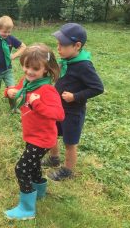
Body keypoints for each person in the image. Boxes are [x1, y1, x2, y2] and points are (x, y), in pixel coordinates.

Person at [4, 44, 64, 220]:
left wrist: (37, 104)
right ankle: (39, 192)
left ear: (46, 69)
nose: (29, 71)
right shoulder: (27, 82)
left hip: (42, 138)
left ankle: (27, 208)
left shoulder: (47, 90)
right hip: (32, 135)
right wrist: (10, 92)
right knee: (35, 164)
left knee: (22, 169)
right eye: (26, 66)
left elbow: (59, 114)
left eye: (35, 68)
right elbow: (17, 90)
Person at [43, 23, 104, 181]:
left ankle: (67, 171)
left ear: (77, 46)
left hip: (73, 112)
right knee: (52, 133)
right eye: (57, 44)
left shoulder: (84, 65)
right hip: (58, 109)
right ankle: (54, 158)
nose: (58, 48)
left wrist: (75, 96)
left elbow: (98, 88)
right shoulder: (67, 59)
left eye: (62, 45)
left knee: (70, 142)